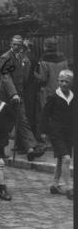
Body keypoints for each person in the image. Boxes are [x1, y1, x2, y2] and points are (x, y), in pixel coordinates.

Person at [0, 35, 45, 161]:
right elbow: (6, 76)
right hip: (6, 95)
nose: (16, 46)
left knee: (23, 120)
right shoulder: (5, 57)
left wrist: (26, 63)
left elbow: (23, 77)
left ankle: (30, 149)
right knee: (4, 123)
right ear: (10, 44)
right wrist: (13, 93)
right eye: (14, 44)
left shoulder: (22, 58)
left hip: (18, 95)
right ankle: (0, 149)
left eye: (19, 44)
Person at [40, 69, 74, 200]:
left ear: (71, 83)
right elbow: (45, 114)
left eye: (67, 81)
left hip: (69, 134)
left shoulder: (73, 96)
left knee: (61, 159)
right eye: (62, 81)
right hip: (56, 132)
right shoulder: (53, 97)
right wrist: (43, 131)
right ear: (58, 81)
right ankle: (69, 187)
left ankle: (54, 184)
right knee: (66, 158)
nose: (64, 84)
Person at [35, 37, 69, 142]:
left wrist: (34, 74)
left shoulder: (44, 60)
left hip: (48, 91)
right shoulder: (63, 58)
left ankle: (50, 139)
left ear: (46, 46)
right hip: (61, 91)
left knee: (47, 114)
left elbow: (43, 79)